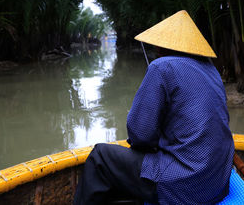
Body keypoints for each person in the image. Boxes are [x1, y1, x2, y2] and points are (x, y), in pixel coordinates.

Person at [74, 10, 235, 205]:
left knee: (100, 156)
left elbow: (139, 135)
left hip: (187, 184)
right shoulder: (212, 71)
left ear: (163, 47)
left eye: (157, 47)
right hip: (217, 184)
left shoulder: (162, 66)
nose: (156, 51)